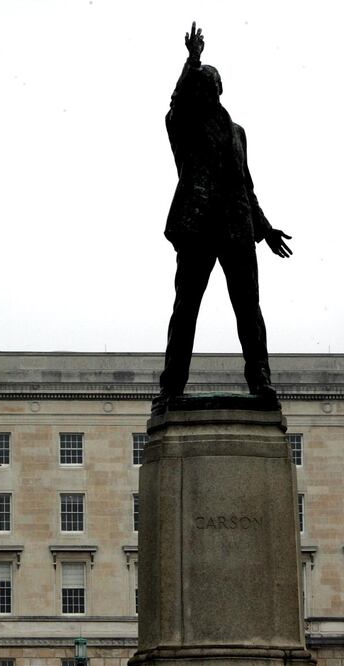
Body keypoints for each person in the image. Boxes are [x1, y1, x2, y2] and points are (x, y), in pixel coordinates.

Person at [158, 23, 292, 404]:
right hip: (196, 225)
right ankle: (172, 386)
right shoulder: (181, 125)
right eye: (196, 85)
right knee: (186, 308)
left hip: (236, 227)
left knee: (249, 307)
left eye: (206, 84)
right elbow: (175, 102)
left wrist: (264, 229)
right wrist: (192, 61)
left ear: (217, 90)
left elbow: (245, 184)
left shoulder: (237, 132)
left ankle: (261, 378)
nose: (200, 90)